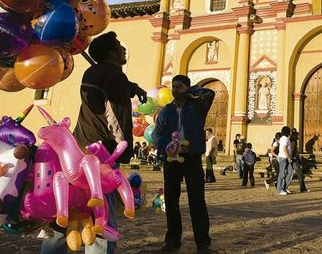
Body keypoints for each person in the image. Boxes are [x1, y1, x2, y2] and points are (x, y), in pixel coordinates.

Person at [41, 31, 146, 254]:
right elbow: (115, 117)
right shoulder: (114, 77)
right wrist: (124, 149)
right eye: (119, 46)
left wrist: (131, 87)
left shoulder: (93, 72)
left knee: (69, 208)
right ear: (111, 52)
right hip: (101, 154)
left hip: (76, 148)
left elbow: (104, 95)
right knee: (101, 214)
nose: (123, 49)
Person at [152, 75, 215, 252]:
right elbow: (157, 135)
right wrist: (166, 147)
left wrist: (190, 90)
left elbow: (209, 93)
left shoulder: (198, 107)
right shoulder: (166, 111)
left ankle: (203, 242)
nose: (174, 90)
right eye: (173, 87)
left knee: (197, 200)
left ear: (187, 88)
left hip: (192, 158)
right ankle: (172, 238)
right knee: (171, 200)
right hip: (171, 159)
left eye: (179, 86)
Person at [276, 126, 292, 195]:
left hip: (285, 157)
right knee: (282, 173)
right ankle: (279, 190)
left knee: (290, 172)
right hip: (283, 157)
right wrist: (288, 157)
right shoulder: (285, 139)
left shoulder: (284, 138)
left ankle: (284, 187)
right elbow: (285, 148)